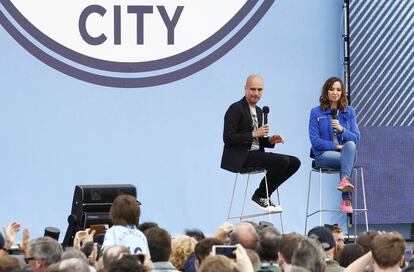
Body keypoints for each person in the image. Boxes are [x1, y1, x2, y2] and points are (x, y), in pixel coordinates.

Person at [221, 74, 301, 211]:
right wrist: (253, 134)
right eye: (253, 89)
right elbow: (228, 137)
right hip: (242, 157)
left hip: (256, 154)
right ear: (245, 89)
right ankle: (260, 195)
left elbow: (257, 139)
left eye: (259, 90)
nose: (256, 93)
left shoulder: (258, 110)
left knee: (295, 162)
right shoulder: (235, 108)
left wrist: (270, 140)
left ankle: (265, 195)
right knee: (282, 161)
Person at [308, 76, 360, 213]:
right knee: (347, 158)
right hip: (323, 155)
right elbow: (315, 141)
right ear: (326, 91)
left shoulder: (349, 111)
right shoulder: (316, 112)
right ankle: (346, 197)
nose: (335, 93)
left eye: (338, 90)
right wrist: (337, 147)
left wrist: (342, 129)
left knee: (351, 145)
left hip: (346, 153)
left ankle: (344, 181)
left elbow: (356, 137)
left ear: (342, 92)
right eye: (331, 89)